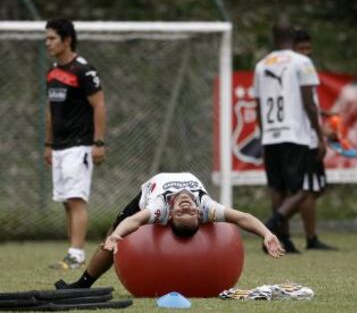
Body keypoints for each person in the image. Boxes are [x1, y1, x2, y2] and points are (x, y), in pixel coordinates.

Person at [54, 172, 284, 289]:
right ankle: (84, 283)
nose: (187, 208)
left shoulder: (159, 208)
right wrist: (266, 233)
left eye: (183, 213)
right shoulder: (206, 207)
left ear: (170, 215)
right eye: (190, 212)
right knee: (115, 235)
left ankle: (83, 283)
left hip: (143, 197)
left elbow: (134, 221)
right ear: (199, 214)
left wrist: (116, 235)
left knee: (114, 235)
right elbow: (242, 218)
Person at [253, 23, 326, 253]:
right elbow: (308, 103)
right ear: (293, 38)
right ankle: (272, 225)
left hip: (271, 135)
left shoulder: (261, 65)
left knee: (277, 188)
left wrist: (264, 135)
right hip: (295, 134)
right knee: (302, 189)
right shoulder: (302, 62)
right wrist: (320, 135)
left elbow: (258, 106)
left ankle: (282, 239)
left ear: (273, 38)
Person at [44, 18, 106, 269]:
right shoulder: (52, 72)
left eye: (51, 38)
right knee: (66, 201)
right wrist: (48, 144)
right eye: (46, 38)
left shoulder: (84, 70)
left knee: (76, 199)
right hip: (58, 146)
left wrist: (99, 142)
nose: (47, 43)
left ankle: (77, 254)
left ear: (67, 40)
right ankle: (72, 252)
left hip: (79, 145)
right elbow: (50, 110)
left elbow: (99, 105)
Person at [290, 28, 337, 251]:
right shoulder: (299, 67)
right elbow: (306, 106)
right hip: (305, 139)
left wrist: (321, 113)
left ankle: (279, 223)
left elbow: (307, 104)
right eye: (301, 48)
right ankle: (308, 237)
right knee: (307, 189)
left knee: (313, 188)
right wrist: (322, 135)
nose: (306, 52)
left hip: (302, 136)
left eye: (308, 48)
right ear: (291, 49)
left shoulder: (295, 68)